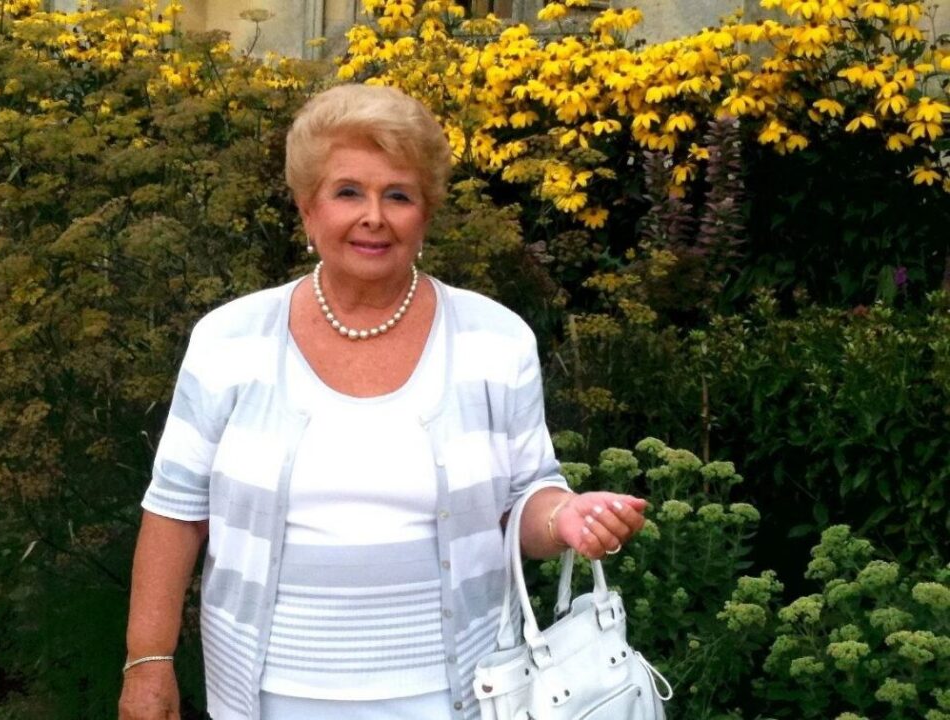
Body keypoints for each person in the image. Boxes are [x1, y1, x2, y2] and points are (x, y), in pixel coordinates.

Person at [118, 84, 648, 720]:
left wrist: (564, 516)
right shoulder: (228, 340)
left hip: (457, 695)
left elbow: (524, 499)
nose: (374, 216)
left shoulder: (495, 340)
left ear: (425, 214)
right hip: (267, 696)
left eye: (398, 195)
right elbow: (176, 512)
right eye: (348, 192)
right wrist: (148, 660)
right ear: (308, 209)